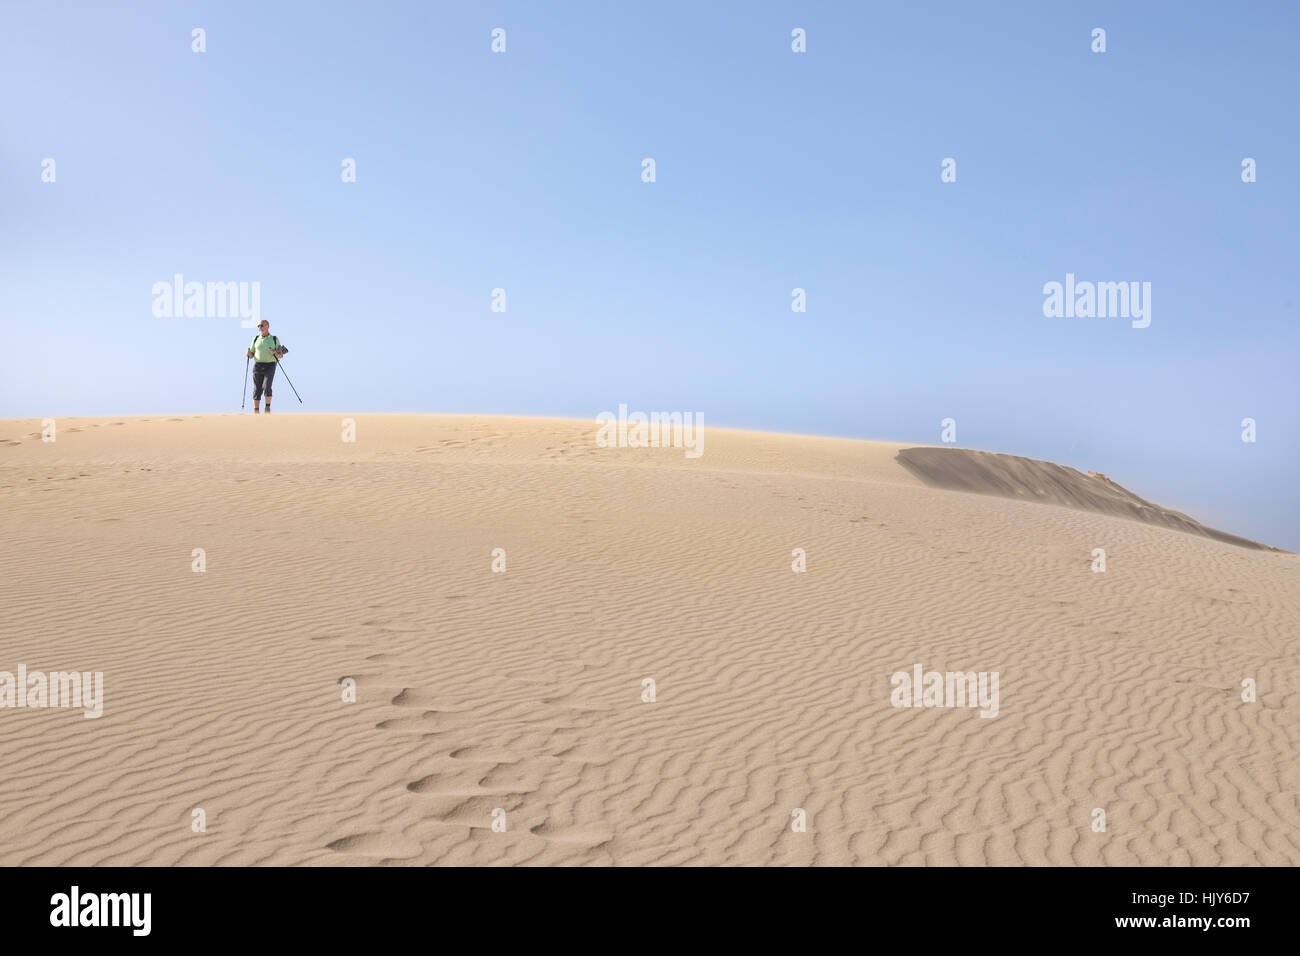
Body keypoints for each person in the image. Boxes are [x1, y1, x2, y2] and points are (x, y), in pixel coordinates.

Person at [246, 321, 288, 413]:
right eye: (258, 326)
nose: (260, 327)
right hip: (258, 365)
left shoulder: (274, 339)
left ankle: (267, 410)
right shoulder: (255, 339)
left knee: (267, 386)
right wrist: (249, 354)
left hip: (270, 365)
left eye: (262, 325)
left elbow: (280, 355)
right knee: (257, 389)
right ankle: (256, 412)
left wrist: (275, 353)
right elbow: (252, 354)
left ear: (268, 326)